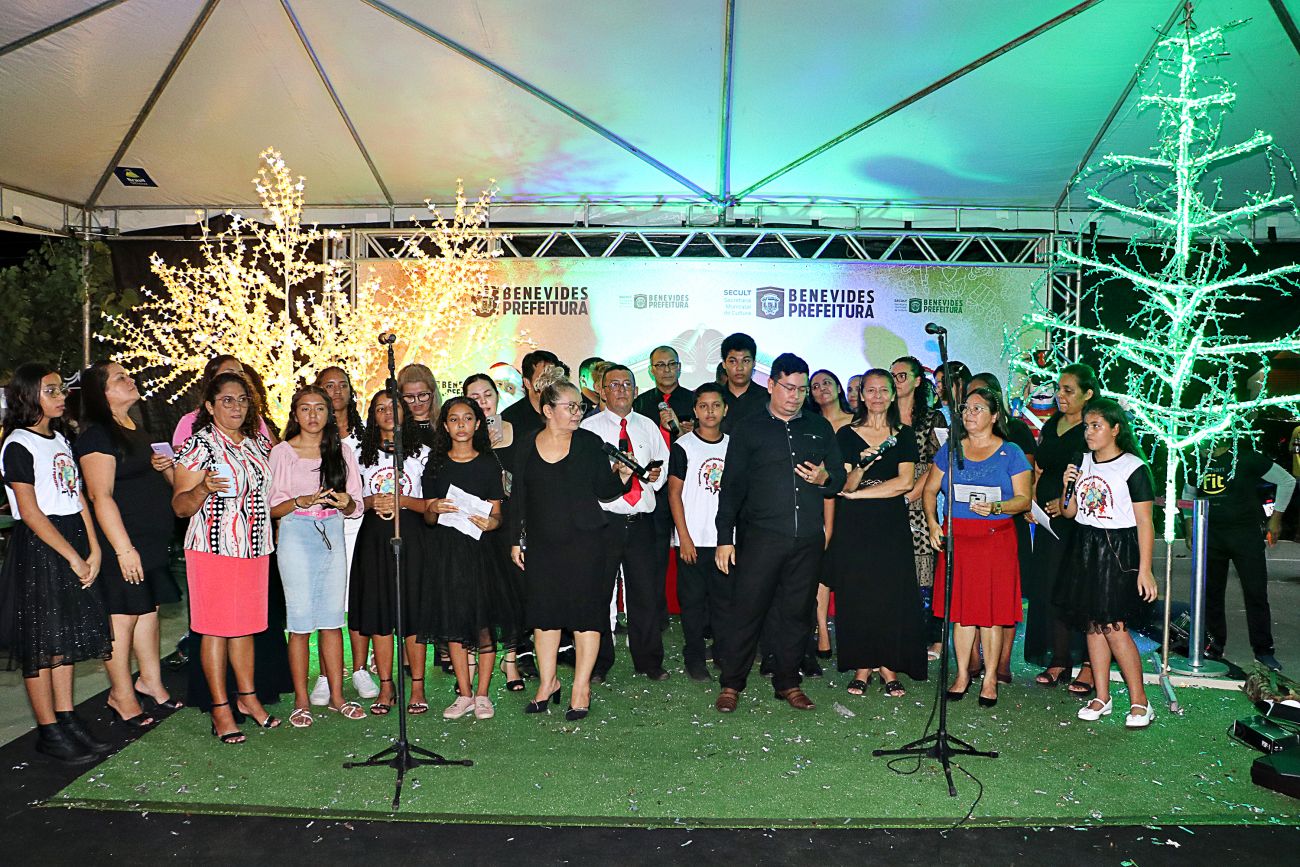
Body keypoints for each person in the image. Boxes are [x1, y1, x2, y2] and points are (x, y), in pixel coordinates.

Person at [713, 352, 846, 713]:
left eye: (802, 389)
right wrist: (725, 538)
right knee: (746, 611)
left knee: (797, 614)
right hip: (761, 538)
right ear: (771, 385)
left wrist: (826, 478)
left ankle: (788, 682)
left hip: (807, 538)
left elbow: (838, 478)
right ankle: (731, 684)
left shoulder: (819, 427)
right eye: (788, 387)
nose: (795, 395)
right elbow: (731, 487)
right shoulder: (748, 428)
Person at [0, 363, 113, 764]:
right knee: (40, 643)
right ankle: (48, 729)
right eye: (51, 390)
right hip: (42, 547)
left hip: (72, 539)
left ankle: (66, 717)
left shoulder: (61, 438)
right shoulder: (17, 444)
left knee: (64, 638)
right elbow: (30, 512)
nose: (61, 396)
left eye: (61, 389)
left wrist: (94, 548)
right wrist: (71, 555)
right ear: (28, 396)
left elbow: (76, 495)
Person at [510, 373, 634, 721]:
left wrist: (622, 477)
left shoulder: (589, 443)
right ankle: (547, 683)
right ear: (548, 410)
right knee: (544, 617)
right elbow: (517, 497)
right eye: (570, 407)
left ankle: (581, 688)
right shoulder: (526, 444)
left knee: (586, 616)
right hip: (542, 545)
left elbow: (605, 491)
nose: (578, 412)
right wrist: (514, 541)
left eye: (579, 407)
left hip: (586, 543)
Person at [172, 371, 280, 743]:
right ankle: (220, 708)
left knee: (246, 626)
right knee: (215, 628)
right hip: (213, 548)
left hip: (255, 547)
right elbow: (180, 506)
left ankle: (247, 698)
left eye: (242, 400)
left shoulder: (257, 443)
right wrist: (203, 487)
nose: (236, 407)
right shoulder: (199, 445)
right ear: (209, 405)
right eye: (227, 400)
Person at [76, 361, 183, 729]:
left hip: (149, 541)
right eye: (120, 377)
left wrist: (164, 467)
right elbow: (99, 495)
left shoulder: (136, 429)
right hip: (122, 542)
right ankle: (120, 694)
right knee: (122, 617)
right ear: (102, 393)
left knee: (148, 610)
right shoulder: (97, 436)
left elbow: (165, 484)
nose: (130, 379)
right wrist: (123, 549)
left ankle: (150, 682)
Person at [924, 386, 1032, 709]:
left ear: (994, 416)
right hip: (958, 538)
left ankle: (990, 679)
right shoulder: (951, 449)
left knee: (990, 615)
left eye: (977, 409)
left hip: (995, 539)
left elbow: (1024, 500)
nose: (969, 414)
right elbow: (929, 490)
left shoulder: (1011, 452)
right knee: (960, 613)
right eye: (966, 409)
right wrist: (933, 523)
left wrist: (998, 507)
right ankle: (962, 675)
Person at [1055, 398, 1158, 728]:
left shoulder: (1133, 467)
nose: (1089, 432)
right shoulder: (1081, 462)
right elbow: (1069, 511)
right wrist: (1067, 484)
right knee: (1092, 625)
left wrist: (1145, 569)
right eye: (1086, 426)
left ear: (1115, 429)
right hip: (1085, 546)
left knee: (1114, 628)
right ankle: (1102, 696)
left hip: (1117, 550)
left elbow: (1145, 522)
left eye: (1096, 426)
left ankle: (1140, 701)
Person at [268, 386, 365, 727]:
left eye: (319, 408)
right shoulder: (282, 452)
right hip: (296, 534)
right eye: (305, 408)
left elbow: (357, 505)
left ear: (330, 414)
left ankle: (338, 697)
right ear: (295, 414)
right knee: (299, 623)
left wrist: (346, 503)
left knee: (332, 620)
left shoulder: (342, 451)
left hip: (332, 533)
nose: (312, 415)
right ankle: (301, 700)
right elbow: (272, 507)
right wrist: (300, 501)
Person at [828, 369, 927, 697]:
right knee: (857, 592)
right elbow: (845, 486)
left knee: (889, 593)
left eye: (884, 390)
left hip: (889, 521)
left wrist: (861, 495)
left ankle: (888, 667)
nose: (877, 397)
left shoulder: (904, 435)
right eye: (870, 390)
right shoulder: (846, 434)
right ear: (861, 395)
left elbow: (905, 483)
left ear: (893, 394)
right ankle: (862, 666)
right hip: (854, 524)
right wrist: (861, 468)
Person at [422, 397, 520, 720]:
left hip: (482, 552)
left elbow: (497, 515)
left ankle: (483, 694)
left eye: (467, 418)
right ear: (445, 425)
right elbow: (429, 517)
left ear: (478, 424)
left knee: (484, 624)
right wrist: (433, 508)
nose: (461, 425)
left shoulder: (488, 463)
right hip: (447, 552)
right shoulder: (435, 464)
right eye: (454, 419)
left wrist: (492, 523)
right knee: (454, 622)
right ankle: (464, 694)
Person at [582, 364, 671, 681]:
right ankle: (598, 662)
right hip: (604, 521)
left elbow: (663, 467)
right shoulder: (588, 429)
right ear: (602, 391)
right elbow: (584, 479)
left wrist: (656, 476)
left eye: (627, 384)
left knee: (645, 594)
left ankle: (649, 661)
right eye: (614, 384)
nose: (621, 389)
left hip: (641, 521)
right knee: (598, 595)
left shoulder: (648, 426)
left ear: (636, 390)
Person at [348, 390, 430, 715]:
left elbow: (431, 505)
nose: (387, 413)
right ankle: (386, 685)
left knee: (413, 612)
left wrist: (403, 501)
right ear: (372, 415)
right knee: (380, 612)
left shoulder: (422, 453)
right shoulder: (358, 453)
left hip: (412, 536)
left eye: (393, 406)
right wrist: (370, 502)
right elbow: (349, 501)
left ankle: (418, 686)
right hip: (374, 537)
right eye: (379, 408)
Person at [1183, 440, 1295, 670]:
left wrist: (1276, 518)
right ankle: (1213, 646)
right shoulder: (1195, 461)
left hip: (1245, 535)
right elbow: (1188, 493)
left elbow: (1287, 480)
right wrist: (1189, 525)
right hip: (1211, 535)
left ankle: (1263, 650)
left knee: (1255, 592)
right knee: (1211, 594)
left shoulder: (1246, 458)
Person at [1025, 363, 1098, 695]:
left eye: (1069, 390)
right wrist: (1033, 503)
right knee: (1050, 587)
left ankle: (1089, 665)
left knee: (1080, 592)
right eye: (1059, 388)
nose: (1060, 394)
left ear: (1088, 394)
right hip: (1047, 521)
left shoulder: (1093, 427)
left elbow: (1099, 472)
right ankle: (1059, 658)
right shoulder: (1053, 423)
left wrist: (1070, 502)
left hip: (1080, 522)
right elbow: (1039, 468)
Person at [963, 372, 1037, 685]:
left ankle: (1002, 662)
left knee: (1003, 596)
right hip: (969, 524)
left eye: (980, 400)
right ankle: (973, 661)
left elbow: (1026, 481)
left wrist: (1003, 505)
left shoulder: (1016, 432)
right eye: (968, 402)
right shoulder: (961, 437)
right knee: (970, 597)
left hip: (1007, 521)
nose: (971, 408)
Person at [313, 366, 376, 702]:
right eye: (329, 386)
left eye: (342, 385)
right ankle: (327, 674)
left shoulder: (365, 437)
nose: (336, 391)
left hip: (358, 525)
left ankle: (361, 668)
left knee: (358, 600)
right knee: (327, 602)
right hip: (319, 528)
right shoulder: (307, 435)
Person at [464, 373, 527, 690]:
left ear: (497, 395)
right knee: (475, 596)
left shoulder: (518, 431)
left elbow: (526, 482)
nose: (483, 402)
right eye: (474, 397)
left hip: (510, 522)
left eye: (487, 394)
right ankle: (471, 661)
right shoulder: (462, 435)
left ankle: (510, 660)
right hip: (473, 523)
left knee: (512, 593)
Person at [667, 383, 730, 682]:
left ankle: (722, 653)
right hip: (693, 540)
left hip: (724, 542)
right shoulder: (683, 446)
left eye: (716, 405)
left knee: (724, 603)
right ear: (695, 410)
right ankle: (694, 656)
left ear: (725, 409)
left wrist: (731, 538)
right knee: (692, 604)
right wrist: (684, 538)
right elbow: (674, 494)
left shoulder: (734, 446)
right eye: (703, 406)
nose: (710, 411)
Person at [891, 355, 948, 658]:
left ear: (916, 381)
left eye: (901, 375)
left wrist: (911, 495)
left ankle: (925, 637)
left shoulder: (932, 418)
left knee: (923, 572)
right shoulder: (883, 415)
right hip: (886, 499)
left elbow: (938, 462)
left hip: (920, 502)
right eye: (892, 375)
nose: (895, 380)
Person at [808, 368, 854, 658]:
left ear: (838, 387)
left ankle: (854, 632)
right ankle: (822, 631)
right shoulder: (809, 424)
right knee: (820, 567)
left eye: (827, 382)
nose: (822, 388)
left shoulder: (856, 422)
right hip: (818, 499)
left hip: (852, 501)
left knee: (849, 567)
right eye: (815, 386)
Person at [171, 355, 276, 450]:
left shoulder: (255, 420)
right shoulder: (190, 421)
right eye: (229, 374)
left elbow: (272, 456)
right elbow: (181, 460)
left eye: (241, 375)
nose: (236, 379)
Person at [634, 345, 695, 441]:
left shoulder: (695, 400)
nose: (667, 370)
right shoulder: (639, 404)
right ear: (651, 370)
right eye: (660, 365)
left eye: (672, 364)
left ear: (679, 367)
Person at [501, 350, 560, 440]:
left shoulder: (566, 410)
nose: (550, 383)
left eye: (554, 377)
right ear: (527, 383)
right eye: (543, 378)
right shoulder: (509, 420)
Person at [719, 333, 767, 433]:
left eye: (745, 361)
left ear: (754, 363)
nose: (739, 368)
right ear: (724, 364)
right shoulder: (714, 397)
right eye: (733, 361)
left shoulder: (768, 399)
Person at [397, 363, 442, 448]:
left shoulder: (447, 422)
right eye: (409, 396)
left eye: (422, 395)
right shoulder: (396, 427)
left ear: (432, 393)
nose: (417, 402)